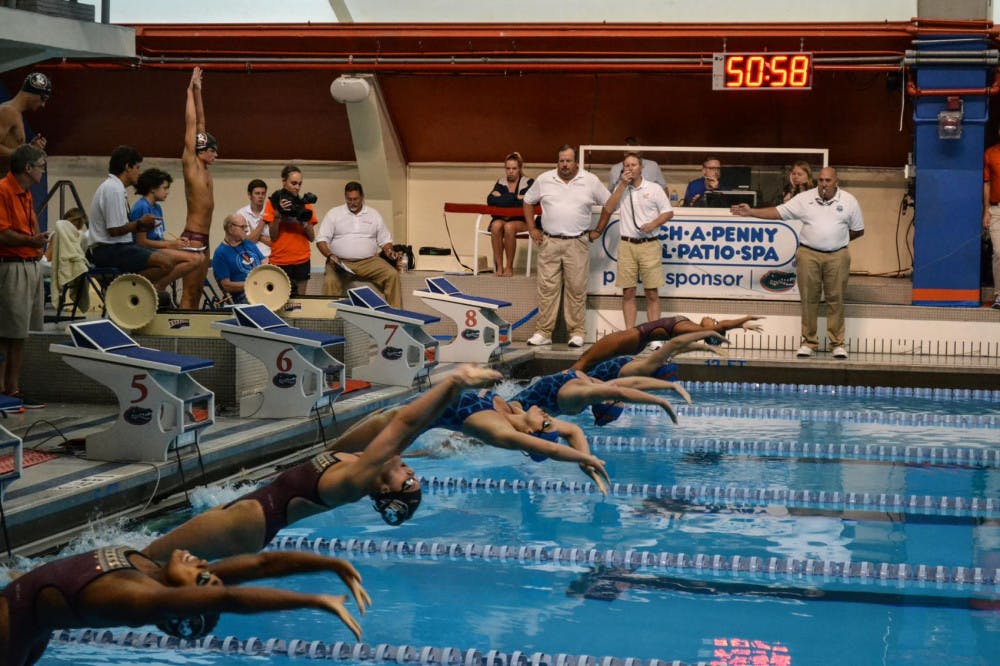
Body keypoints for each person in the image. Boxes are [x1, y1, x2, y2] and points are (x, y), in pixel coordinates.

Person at [142, 365, 502, 562]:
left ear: (384, 488)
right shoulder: (361, 462)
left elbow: (404, 425)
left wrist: (455, 380)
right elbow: (400, 421)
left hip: (245, 524)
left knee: (144, 563)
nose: (411, 472)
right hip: (245, 516)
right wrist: (454, 392)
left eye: (408, 482)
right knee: (146, 561)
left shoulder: (355, 480)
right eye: (414, 477)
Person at [0, 546, 370, 665]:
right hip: (25, 629)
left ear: (181, 605)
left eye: (201, 581)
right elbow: (261, 564)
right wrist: (330, 563)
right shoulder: (155, 573)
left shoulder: (137, 599)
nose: (204, 565)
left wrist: (315, 601)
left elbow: (227, 597)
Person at [328, 390, 611, 493]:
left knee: (334, 458)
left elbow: (549, 447)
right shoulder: (516, 411)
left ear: (531, 435)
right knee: (340, 459)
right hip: (414, 414)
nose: (549, 416)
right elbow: (572, 431)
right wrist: (587, 461)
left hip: (402, 421)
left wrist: (585, 460)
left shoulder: (503, 432)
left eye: (545, 424)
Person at [731, 167, 864, 359]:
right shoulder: (805, 199)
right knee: (809, 299)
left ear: (836, 183)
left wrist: (837, 241)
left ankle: (837, 344)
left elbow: (858, 230)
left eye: (828, 181)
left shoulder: (849, 201)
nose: (824, 184)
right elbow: (778, 212)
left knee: (836, 299)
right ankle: (809, 342)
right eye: (821, 180)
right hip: (808, 253)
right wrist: (752, 211)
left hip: (838, 255)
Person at [523, 145, 612, 348]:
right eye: (561, 160)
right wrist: (532, 229)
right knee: (547, 290)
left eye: (568, 160)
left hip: (577, 243)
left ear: (576, 162)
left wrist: (598, 230)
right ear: (558, 161)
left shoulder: (590, 180)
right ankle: (543, 333)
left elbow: (608, 204)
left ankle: (577, 332)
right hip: (549, 242)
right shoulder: (545, 179)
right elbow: (528, 202)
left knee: (576, 289)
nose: (564, 164)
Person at [87, 146, 187, 308]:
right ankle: (126, 291)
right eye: (137, 168)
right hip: (110, 249)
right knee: (166, 263)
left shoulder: (115, 188)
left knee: (167, 261)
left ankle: (130, 288)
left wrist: (140, 225)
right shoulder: (113, 189)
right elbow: (114, 230)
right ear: (127, 167)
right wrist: (141, 224)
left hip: (117, 247)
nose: (139, 173)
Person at [593, 152, 673, 330]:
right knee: (628, 292)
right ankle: (630, 334)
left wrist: (653, 224)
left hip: (649, 245)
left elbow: (668, 212)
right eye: (626, 166)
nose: (629, 168)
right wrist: (621, 184)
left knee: (651, 292)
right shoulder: (621, 189)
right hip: (627, 245)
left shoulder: (653, 188)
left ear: (641, 168)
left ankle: (654, 334)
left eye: (633, 165)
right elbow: (609, 207)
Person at [0, 145, 48, 409]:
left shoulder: (26, 194)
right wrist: (32, 241)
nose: (43, 169)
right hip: (11, 266)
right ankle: (2, 391)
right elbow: (2, 233)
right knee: (6, 333)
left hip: (29, 263)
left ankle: (13, 389)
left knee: (20, 334)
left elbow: (31, 227)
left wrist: (38, 244)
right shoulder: (3, 190)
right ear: (27, 168)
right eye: (40, 165)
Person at [570, 314, 763, 375]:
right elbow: (721, 326)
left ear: (709, 332)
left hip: (630, 338)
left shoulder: (692, 331)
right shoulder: (692, 328)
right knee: (588, 365)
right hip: (633, 341)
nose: (712, 318)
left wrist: (744, 320)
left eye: (712, 322)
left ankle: (560, 384)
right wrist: (742, 325)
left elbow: (721, 326)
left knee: (583, 362)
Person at [316, 181, 401, 307]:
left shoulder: (374, 215)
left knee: (392, 275)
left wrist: (389, 251)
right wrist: (329, 255)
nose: (352, 203)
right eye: (349, 199)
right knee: (330, 281)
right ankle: (329, 320)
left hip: (369, 262)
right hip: (339, 262)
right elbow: (321, 240)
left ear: (362, 197)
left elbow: (385, 241)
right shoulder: (334, 214)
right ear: (345, 197)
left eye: (355, 199)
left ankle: (395, 316)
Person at [508, 368, 688, 428]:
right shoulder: (578, 397)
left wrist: (669, 385)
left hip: (518, 411)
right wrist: (661, 401)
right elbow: (623, 389)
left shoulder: (587, 385)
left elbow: (629, 384)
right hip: (511, 412)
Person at [178, 67, 216, 309]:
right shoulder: (191, 165)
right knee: (189, 293)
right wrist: (189, 91)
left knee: (199, 291)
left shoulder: (205, 169)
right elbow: (191, 123)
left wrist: (199, 90)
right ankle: (181, 333)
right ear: (201, 151)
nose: (217, 154)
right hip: (192, 238)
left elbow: (201, 121)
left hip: (205, 237)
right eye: (213, 150)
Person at [130, 168, 202, 295]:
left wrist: (176, 243)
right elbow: (141, 242)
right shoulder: (142, 207)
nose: (167, 192)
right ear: (152, 188)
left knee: (200, 256)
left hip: (156, 248)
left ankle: (159, 283)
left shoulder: (157, 208)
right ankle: (159, 285)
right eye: (165, 188)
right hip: (143, 251)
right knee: (194, 259)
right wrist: (170, 245)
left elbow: (158, 238)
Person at [264, 165, 317, 297]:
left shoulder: (305, 205)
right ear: (284, 181)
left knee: (300, 303)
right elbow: (273, 237)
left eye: (299, 184)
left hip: (302, 259)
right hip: (280, 260)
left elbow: (312, 237)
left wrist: (303, 221)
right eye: (293, 183)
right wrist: (278, 215)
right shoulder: (273, 203)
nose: (297, 187)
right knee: (278, 300)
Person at [486, 152, 534, 277]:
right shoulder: (501, 182)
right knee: (496, 226)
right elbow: (491, 200)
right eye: (508, 168)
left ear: (520, 169)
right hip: (502, 218)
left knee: (509, 227)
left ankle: (509, 266)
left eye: (514, 168)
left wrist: (503, 198)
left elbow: (527, 203)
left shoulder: (528, 182)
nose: (511, 171)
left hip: (522, 220)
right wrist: (516, 197)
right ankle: (499, 266)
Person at [0, 72, 50, 175]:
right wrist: (21, 153)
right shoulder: (8, 111)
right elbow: (17, 153)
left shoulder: (17, 114)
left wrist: (30, 148)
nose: (43, 104)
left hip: (9, 183)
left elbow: (14, 150)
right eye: (43, 98)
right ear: (32, 93)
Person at [211, 213, 264, 302]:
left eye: (246, 227)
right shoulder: (220, 253)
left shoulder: (248, 243)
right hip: (243, 294)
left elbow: (264, 260)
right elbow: (226, 285)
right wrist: (252, 284)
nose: (247, 231)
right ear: (231, 229)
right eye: (243, 227)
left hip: (261, 288)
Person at [982, 136, 1000, 309]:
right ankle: (999, 295)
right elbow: (986, 184)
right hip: (996, 210)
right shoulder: (991, 154)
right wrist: (986, 210)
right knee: (999, 253)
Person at [235, 178, 271, 259]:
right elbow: (247, 242)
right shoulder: (241, 214)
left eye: (263, 193)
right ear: (249, 195)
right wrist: (263, 222)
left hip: (270, 256)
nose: (260, 196)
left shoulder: (271, 212)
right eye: (257, 193)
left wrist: (257, 235)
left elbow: (276, 243)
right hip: (250, 256)